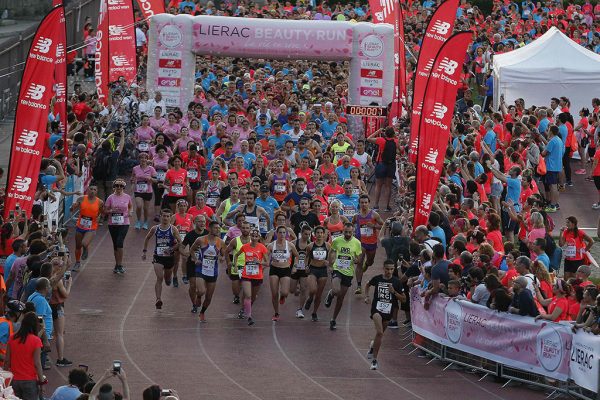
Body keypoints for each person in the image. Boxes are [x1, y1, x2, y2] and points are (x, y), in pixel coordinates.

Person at [364, 260, 405, 370]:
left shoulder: (396, 282)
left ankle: (373, 346)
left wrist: (394, 292)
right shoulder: (378, 279)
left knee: (379, 336)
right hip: (376, 309)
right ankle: (374, 360)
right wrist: (367, 296)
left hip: (388, 311)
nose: (389, 271)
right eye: (387, 269)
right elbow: (368, 284)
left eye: (392, 269)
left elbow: (404, 299)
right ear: (383, 268)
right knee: (380, 332)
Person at [324, 222, 362, 331]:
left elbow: (359, 259)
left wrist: (356, 260)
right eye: (346, 232)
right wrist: (330, 264)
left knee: (340, 298)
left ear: (353, 232)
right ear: (343, 231)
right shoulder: (337, 241)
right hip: (338, 269)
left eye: (350, 232)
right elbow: (331, 251)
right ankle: (331, 294)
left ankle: (333, 319)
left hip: (348, 272)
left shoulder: (357, 243)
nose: (348, 234)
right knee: (336, 290)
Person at [142, 209, 182, 310]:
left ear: (170, 217)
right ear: (160, 217)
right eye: (164, 216)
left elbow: (181, 242)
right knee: (159, 277)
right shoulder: (155, 228)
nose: (165, 218)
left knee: (167, 279)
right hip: (158, 257)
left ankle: (168, 279)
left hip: (169, 258)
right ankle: (158, 299)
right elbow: (147, 238)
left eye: (168, 216)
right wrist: (144, 251)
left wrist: (171, 249)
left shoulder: (173, 229)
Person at [233, 228, 269, 326]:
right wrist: (235, 266)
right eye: (252, 236)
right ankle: (249, 316)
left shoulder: (262, 247)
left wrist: (259, 262)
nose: (253, 238)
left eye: (256, 236)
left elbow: (267, 263)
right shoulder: (245, 247)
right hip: (246, 275)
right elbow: (236, 255)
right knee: (248, 295)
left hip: (257, 276)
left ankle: (243, 309)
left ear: (259, 238)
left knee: (253, 297)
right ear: (250, 236)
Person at [189, 221, 224, 322]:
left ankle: (202, 312)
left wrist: (222, 258)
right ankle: (199, 296)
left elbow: (223, 254)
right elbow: (191, 250)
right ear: (209, 229)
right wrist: (196, 259)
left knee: (208, 298)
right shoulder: (201, 240)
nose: (218, 230)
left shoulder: (220, 242)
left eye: (219, 228)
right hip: (201, 269)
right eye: (216, 228)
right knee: (201, 291)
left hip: (213, 272)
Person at [5, 312, 44, 400]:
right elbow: (37, 363)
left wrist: (5, 374)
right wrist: (42, 382)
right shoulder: (36, 340)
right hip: (29, 380)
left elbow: (7, 360)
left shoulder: (12, 338)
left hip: (14, 379)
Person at [266, 225, 299, 321]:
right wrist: (264, 263)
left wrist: (295, 267)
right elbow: (265, 257)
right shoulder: (271, 245)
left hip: (285, 269)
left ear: (287, 234)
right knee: (274, 293)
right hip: (274, 269)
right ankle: (276, 313)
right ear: (276, 233)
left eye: (284, 232)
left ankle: (283, 296)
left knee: (284, 292)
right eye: (280, 232)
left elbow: (297, 256)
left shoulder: (290, 245)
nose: (282, 234)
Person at [353, 195, 384, 295]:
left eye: (366, 202)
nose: (364, 204)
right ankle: (358, 285)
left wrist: (374, 226)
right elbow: (351, 224)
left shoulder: (374, 215)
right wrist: (353, 232)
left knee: (370, 262)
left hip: (371, 243)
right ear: (359, 203)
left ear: (368, 203)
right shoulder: (356, 216)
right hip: (360, 242)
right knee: (359, 263)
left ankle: (367, 264)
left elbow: (383, 225)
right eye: (362, 202)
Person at [71, 185, 103, 271]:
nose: (92, 191)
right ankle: (77, 263)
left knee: (84, 243)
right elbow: (73, 208)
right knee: (78, 246)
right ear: (88, 190)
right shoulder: (81, 199)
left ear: (97, 191)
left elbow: (102, 212)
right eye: (91, 189)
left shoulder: (99, 202)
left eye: (94, 189)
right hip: (80, 226)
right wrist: (73, 207)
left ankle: (85, 249)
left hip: (91, 227)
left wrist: (100, 216)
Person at [180, 215, 208, 313]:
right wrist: (185, 254)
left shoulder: (208, 234)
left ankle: (199, 296)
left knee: (202, 289)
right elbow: (181, 247)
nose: (202, 223)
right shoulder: (190, 235)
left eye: (204, 221)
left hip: (205, 264)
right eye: (200, 221)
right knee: (192, 285)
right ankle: (194, 305)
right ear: (195, 222)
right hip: (192, 263)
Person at [104, 179, 133, 274]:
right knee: (115, 244)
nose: (119, 188)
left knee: (120, 242)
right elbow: (105, 210)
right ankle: (117, 265)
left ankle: (120, 265)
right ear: (114, 187)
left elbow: (130, 206)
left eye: (121, 186)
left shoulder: (127, 197)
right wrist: (111, 211)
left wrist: (130, 212)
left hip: (124, 222)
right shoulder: (110, 198)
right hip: (112, 223)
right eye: (117, 186)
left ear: (123, 187)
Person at [367, 126, 397, 211]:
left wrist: (378, 131)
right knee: (388, 186)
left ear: (385, 133)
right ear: (393, 134)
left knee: (378, 185)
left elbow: (369, 138)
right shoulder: (396, 141)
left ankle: (376, 205)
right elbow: (400, 150)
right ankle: (387, 206)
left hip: (381, 164)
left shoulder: (381, 140)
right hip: (391, 165)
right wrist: (395, 136)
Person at [131, 152, 156, 230]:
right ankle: (138, 221)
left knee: (146, 208)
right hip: (138, 190)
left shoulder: (151, 169)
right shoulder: (135, 168)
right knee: (139, 206)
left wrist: (151, 179)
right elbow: (132, 178)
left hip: (148, 191)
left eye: (145, 158)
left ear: (147, 159)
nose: (143, 159)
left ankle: (145, 222)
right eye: (141, 158)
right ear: (139, 159)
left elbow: (157, 180)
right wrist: (132, 181)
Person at [291, 225, 311, 319]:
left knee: (303, 289)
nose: (307, 236)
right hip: (294, 269)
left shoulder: (310, 245)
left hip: (304, 269)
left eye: (309, 234)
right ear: (301, 233)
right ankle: (294, 289)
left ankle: (300, 310)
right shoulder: (294, 243)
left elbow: (311, 257)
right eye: (305, 234)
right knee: (292, 290)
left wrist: (307, 266)